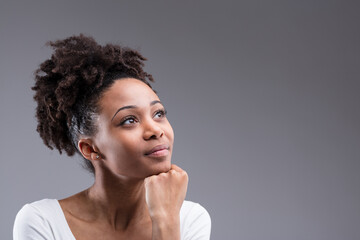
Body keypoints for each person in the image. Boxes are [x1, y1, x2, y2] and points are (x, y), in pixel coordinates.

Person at [13, 34, 211, 240]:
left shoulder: (190, 219)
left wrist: (166, 220)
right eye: (129, 120)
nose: (156, 130)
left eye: (158, 114)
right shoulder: (42, 222)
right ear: (90, 149)